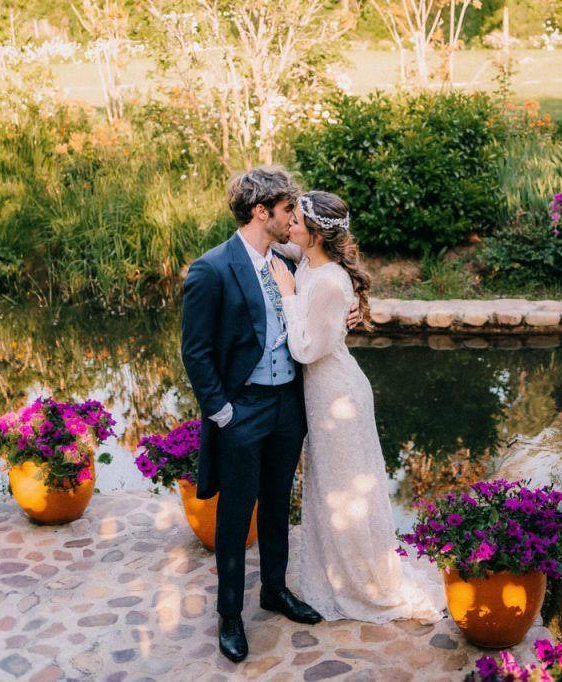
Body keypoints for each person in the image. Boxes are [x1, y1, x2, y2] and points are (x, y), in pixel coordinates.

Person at [180, 168, 360, 663]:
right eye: (286, 211)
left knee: (279, 502)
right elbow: (195, 352)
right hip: (243, 410)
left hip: (288, 406)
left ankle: (275, 590)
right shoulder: (212, 268)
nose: (292, 219)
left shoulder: (287, 258)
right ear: (262, 212)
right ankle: (230, 615)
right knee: (237, 514)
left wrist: (352, 309)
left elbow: (334, 277)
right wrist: (222, 413)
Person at [269, 190, 445, 624]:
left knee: (346, 493)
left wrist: (288, 295)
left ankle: (363, 585)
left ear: (315, 234)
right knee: (331, 487)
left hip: (337, 395)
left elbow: (305, 349)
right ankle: (339, 575)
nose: (289, 224)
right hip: (324, 394)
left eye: (296, 220)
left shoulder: (328, 280)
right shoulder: (310, 258)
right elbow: (276, 242)